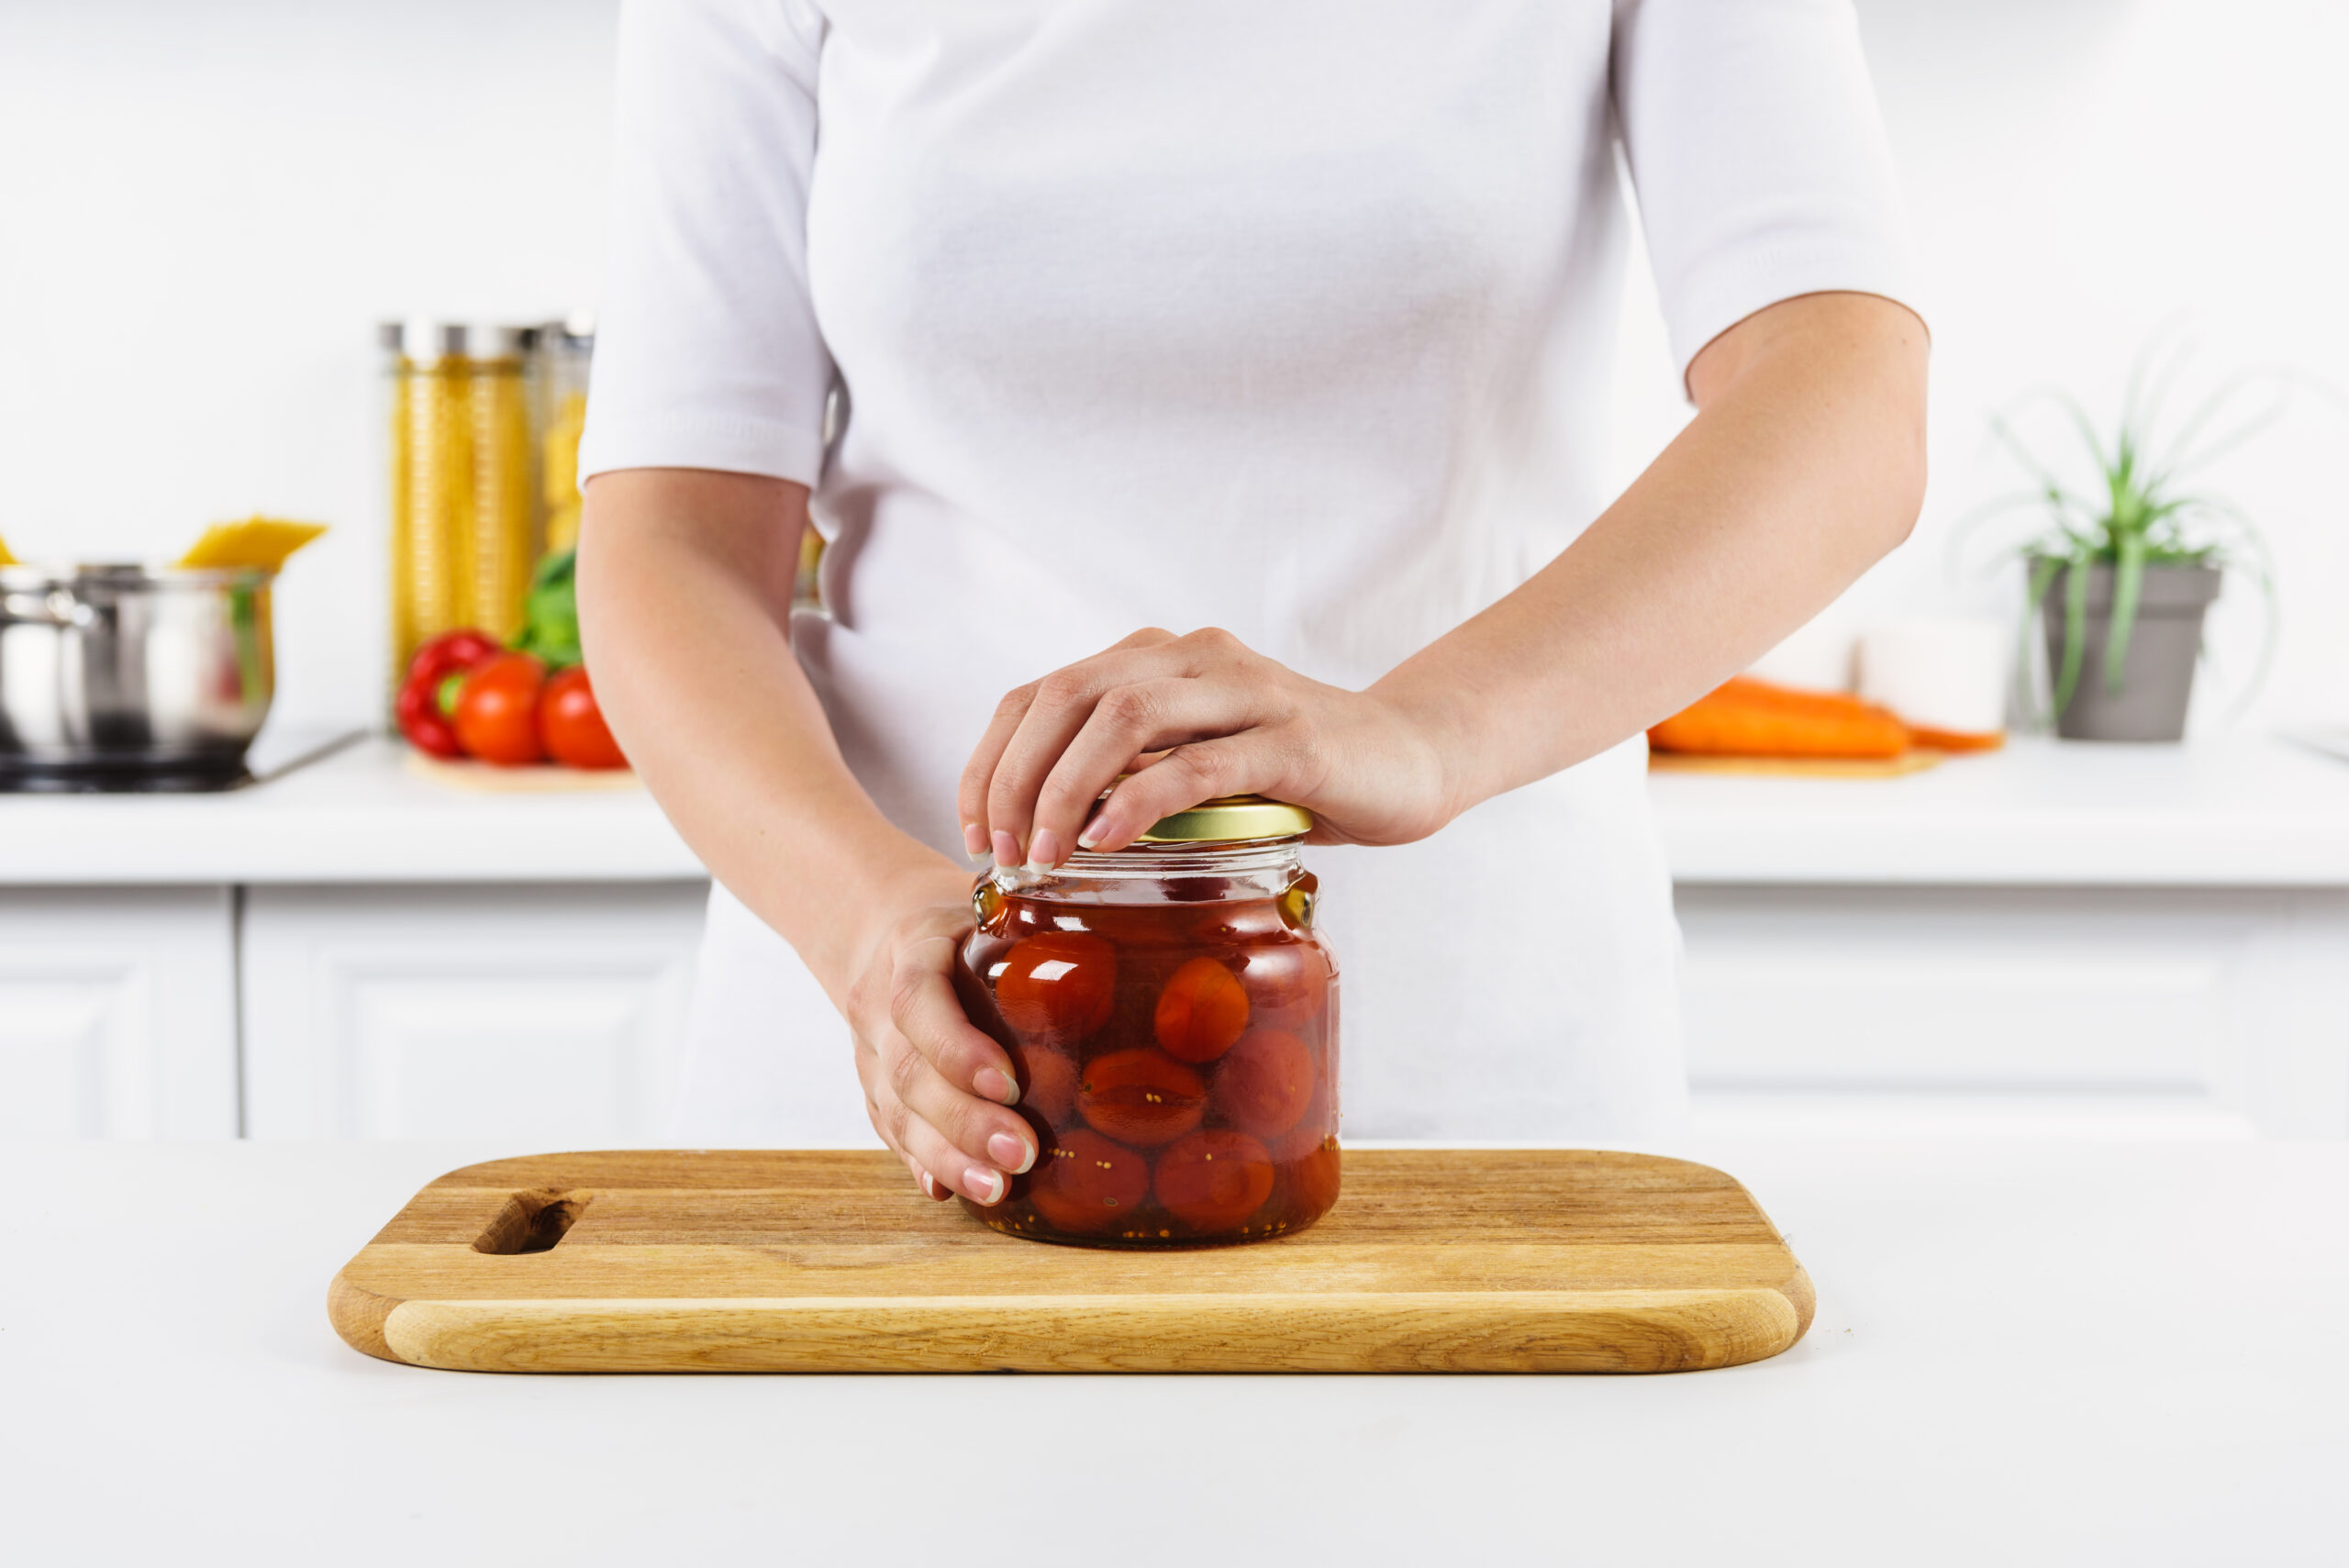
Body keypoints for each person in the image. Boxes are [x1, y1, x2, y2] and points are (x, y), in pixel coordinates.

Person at [574, 0, 1928, 1205]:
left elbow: (1844, 400)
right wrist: (864, 918)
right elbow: (671, 540)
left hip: (1468, 1072)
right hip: (909, 1045)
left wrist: (1422, 731)